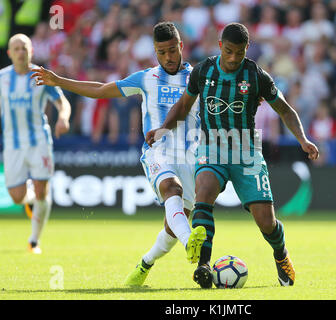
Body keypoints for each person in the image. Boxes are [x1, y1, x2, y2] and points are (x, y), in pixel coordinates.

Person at [31, 22, 206, 287]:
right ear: (154, 52)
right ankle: (189, 242)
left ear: (181, 46)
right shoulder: (146, 77)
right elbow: (101, 90)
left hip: (190, 159)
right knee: (171, 188)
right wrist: (59, 81)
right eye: (162, 52)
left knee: (171, 229)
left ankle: (145, 263)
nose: (168, 57)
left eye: (172, 50)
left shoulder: (199, 78)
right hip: (158, 152)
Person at [146, 23, 320, 288]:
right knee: (203, 193)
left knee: (266, 222)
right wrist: (162, 129)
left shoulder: (256, 76)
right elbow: (183, 106)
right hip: (211, 146)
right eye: (228, 51)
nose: (232, 58)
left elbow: (284, 110)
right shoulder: (203, 71)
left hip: (246, 151)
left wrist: (303, 139)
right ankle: (204, 265)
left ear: (246, 49)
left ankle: (280, 254)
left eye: (238, 52)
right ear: (220, 46)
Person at [0, 33, 71, 254]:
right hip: (12, 144)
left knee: (43, 191)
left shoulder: (41, 76)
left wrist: (63, 117)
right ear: (10, 53)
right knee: (16, 196)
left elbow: (63, 103)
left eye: (25, 48)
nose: (21, 52)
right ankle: (30, 193)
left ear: (31, 51)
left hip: (39, 140)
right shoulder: (2, 78)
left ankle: (34, 240)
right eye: (17, 48)